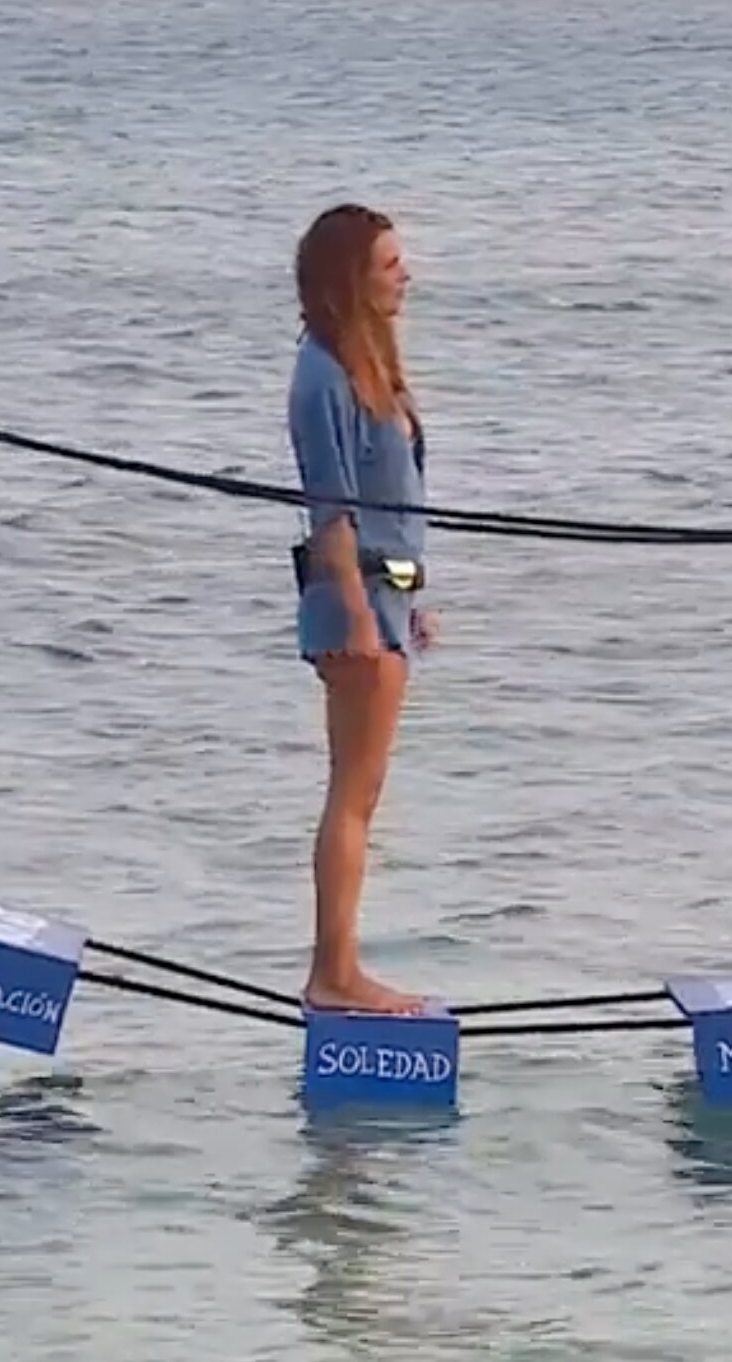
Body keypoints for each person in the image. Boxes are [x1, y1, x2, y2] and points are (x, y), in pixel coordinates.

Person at [286, 203, 438, 1013]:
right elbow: (334, 513)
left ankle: (339, 966)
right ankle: (334, 972)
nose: (405, 276)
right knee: (351, 792)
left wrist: (413, 602)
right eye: (389, 264)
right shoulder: (321, 375)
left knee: (364, 795)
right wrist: (355, 617)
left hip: (384, 598)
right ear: (352, 278)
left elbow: (397, 510)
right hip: (351, 605)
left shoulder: (370, 362)